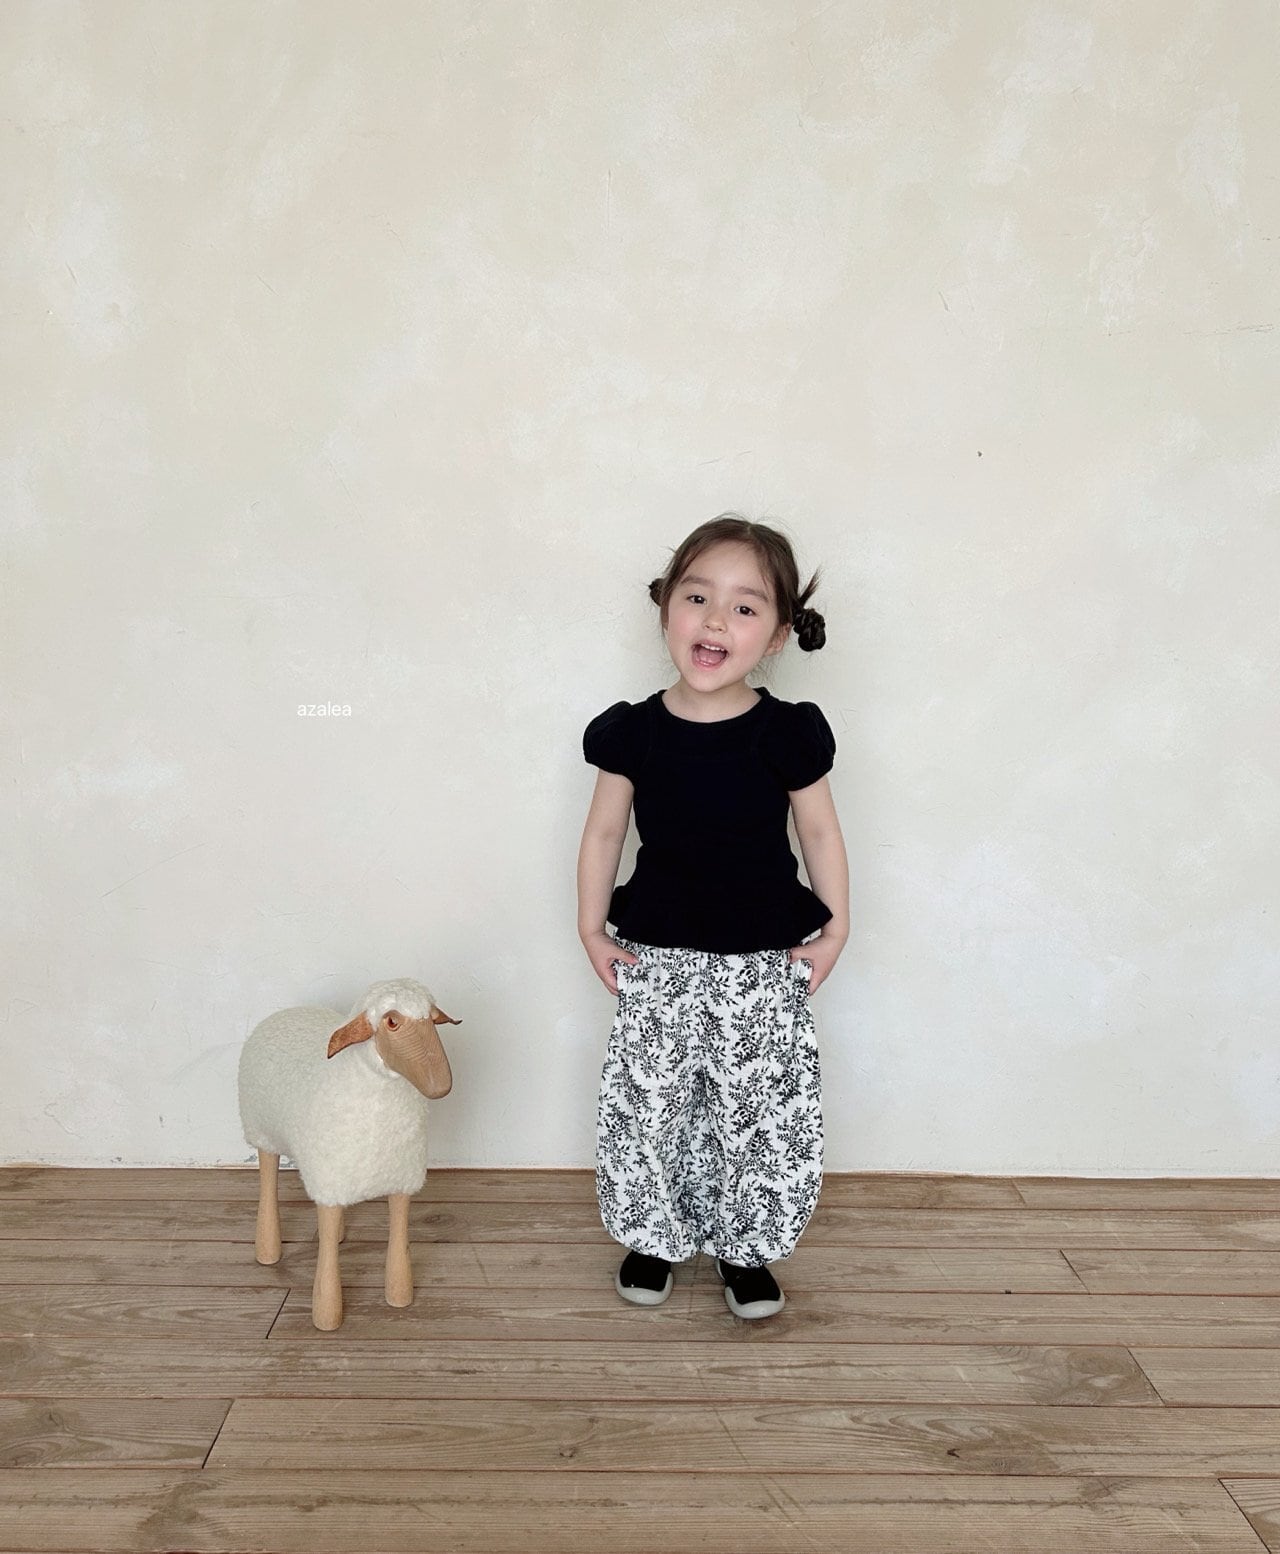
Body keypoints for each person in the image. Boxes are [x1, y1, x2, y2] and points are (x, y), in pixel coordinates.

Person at [577, 514, 849, 1320]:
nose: (717, 620)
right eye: (698, 597)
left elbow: (820, 832)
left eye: (745, 606)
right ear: (667, 608)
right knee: (652, 1106)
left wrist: (836, 929)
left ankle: (745, 1247)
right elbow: (603, 834)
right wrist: (590, 927)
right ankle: (653, 1237)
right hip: (655, 955)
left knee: (753, 1109)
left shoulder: (786, 734)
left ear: (777, 635)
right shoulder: (632, 733)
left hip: (761, 959)